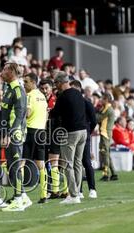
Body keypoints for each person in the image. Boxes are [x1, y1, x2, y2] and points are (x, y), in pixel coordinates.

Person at [51, 71, 87, 204]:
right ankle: (77, 192)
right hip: (83, 131)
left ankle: (73, 195)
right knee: (78, 163)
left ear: (61, 82)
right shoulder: (78, 93)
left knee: (67, 164)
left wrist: (49, 112)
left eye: (56, 83)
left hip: (71, 132)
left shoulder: (62, 96)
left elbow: (55, 113)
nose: (55, 85)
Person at [0, 62, 27, 212]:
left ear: (11, 72)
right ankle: (23, 196)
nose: (2, 72)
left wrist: (9, 134)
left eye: (4, 70)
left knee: (15, 166)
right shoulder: (9, 89)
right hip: (9, 133)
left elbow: (20, 114)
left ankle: (17, 200)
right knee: (11, 166)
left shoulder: (17, 89)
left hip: (14, 134)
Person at [22, 73, 48, 204]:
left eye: (26, 82)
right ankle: (44, 194)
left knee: (21, 162)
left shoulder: (29, 96)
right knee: (40, 164)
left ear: (33, 82)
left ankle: (19, 194)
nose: (24, 84)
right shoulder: (42, 96)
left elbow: (27, 113)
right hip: (41, 132)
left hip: (31, 131)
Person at [70, 80, 98, 198]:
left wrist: (88, 131)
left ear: (78, 89)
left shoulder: (86, 103)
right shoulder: (70, 103)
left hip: (83, 134)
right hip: (73, 134)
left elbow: (94, 120)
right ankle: (79, 190)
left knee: (85, 161)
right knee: (76, 163)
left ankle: (92, 189)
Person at [97, 93, 118, 181]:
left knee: (105, 154)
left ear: (107, 100)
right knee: (106, 154)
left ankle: (106, 174)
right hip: (105, 133)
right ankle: (114, 174)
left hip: (105, 133)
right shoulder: (108, 108)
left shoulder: (108, 109)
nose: (101, 100)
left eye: (102, 99)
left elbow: (98, 118)